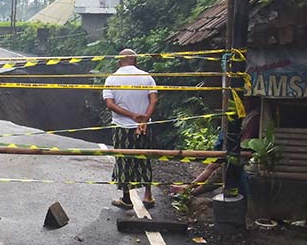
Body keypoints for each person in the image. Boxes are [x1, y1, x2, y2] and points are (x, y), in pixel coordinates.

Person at [169, 96, 261, 197]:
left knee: (221, 171)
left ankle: (192, 192)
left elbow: (245, 142)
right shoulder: (245, 115)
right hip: (236, 150)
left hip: (245, 154)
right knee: (213, 164)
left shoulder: (255, 117)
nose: (242, 104)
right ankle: (189, 187)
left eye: (244, 101)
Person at [103, 48, 158, 209]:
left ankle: (126, 198)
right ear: (135, 60)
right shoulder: (147, 77)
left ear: (119, 61)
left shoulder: (112, 79)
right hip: (144, 127)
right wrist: (144, 119)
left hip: (122, 127)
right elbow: (153, 100)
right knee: (144, 158)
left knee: (123, 160)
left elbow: (110, 104)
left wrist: (132, 116)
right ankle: (148, 196)